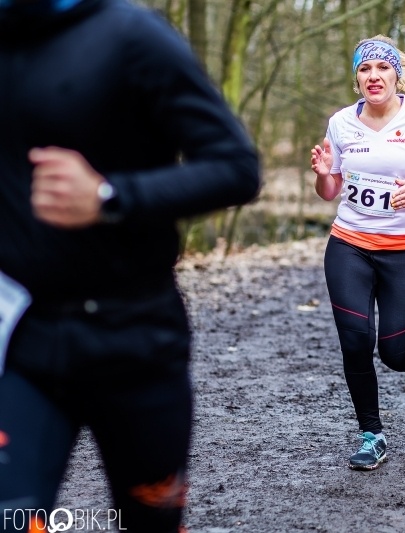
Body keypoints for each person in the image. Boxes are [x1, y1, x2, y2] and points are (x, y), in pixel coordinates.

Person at [0, 0, 261, 531]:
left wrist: (110, 196)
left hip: (135, 339)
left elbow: (236, 167)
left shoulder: (132, 35)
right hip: (20, 342)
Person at [310, 35, 405, 471]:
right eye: (364, 69)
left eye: (382, 68)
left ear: (396, 75)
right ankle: (371, 434)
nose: (373, 76)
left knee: (394, 352)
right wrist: (322, 174)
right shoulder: (341, 123)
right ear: (356, 78)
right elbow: (330, 191)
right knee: (355, 341)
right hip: (350, 245)